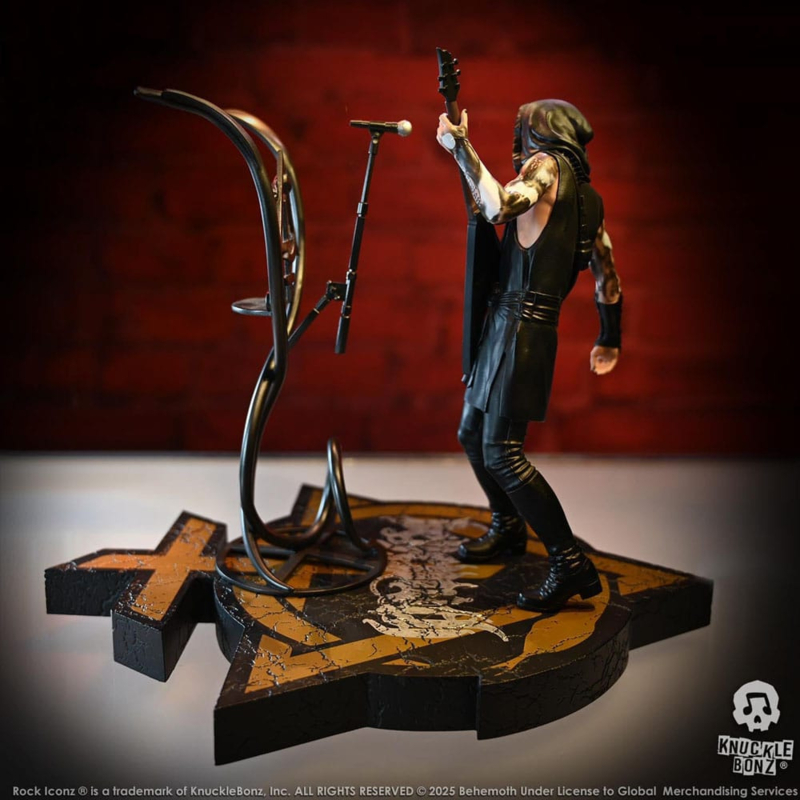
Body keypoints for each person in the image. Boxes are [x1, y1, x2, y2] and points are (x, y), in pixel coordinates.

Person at [436, 99, 622, 611]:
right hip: (514, 324)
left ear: (539, 133)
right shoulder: (591, 201)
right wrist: (610, 335)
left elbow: (499, 206)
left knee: (502, 452)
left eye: (523, 133)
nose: (519, 145)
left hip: (520, 328)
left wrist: (460, 147)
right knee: (472, 432)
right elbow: (607, 275)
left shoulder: (545, 168)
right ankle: (508, 525)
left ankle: (569, 562)